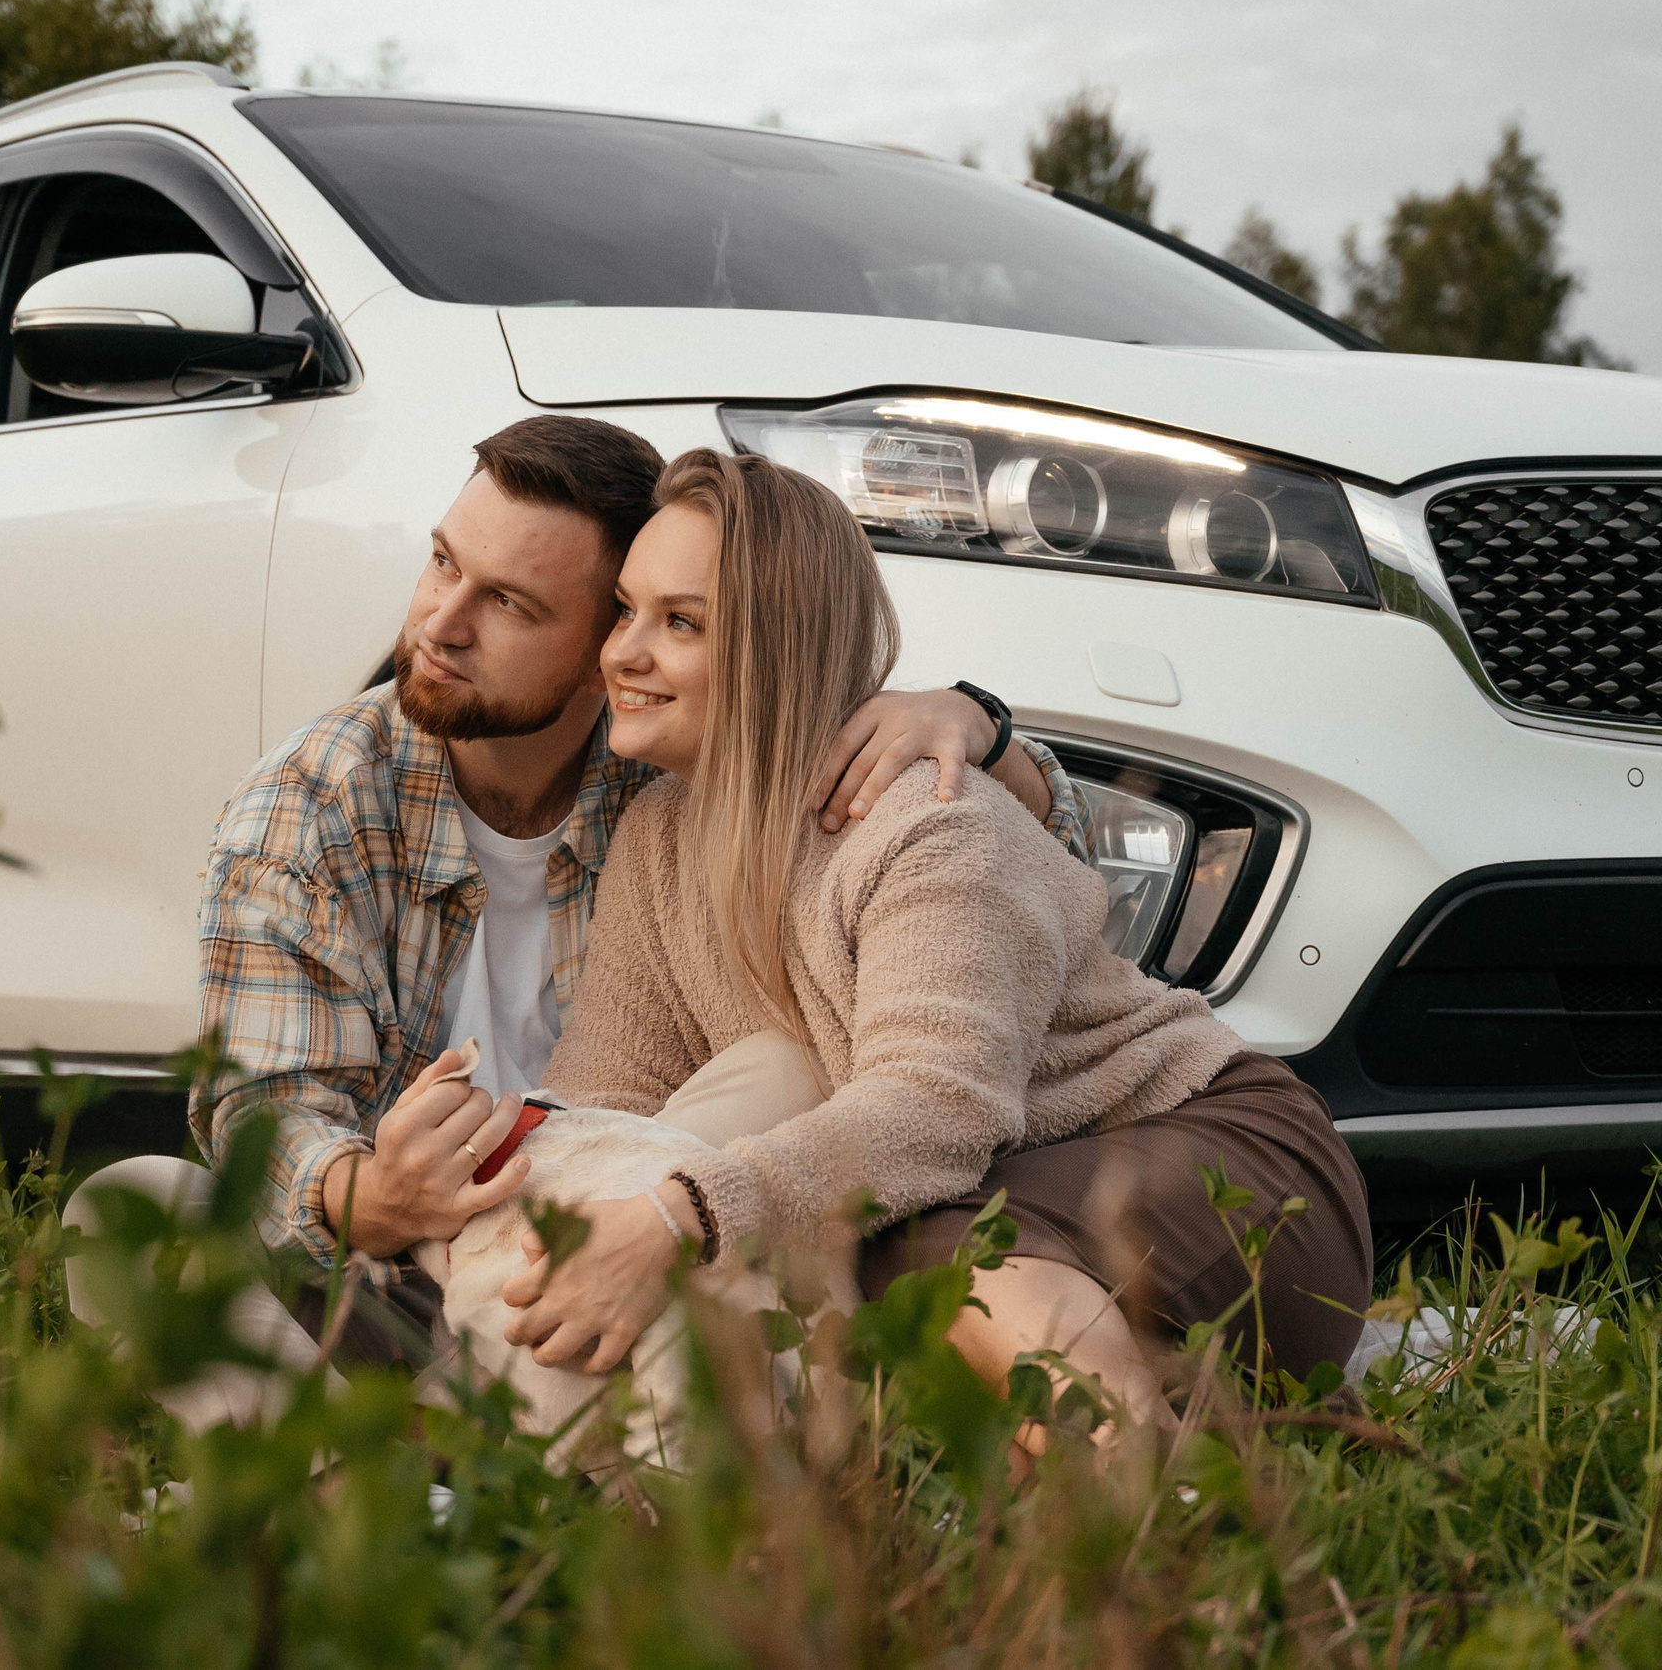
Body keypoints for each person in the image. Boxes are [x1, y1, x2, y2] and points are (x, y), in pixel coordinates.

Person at [64, 416, 1089, 1428]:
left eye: (508, 602)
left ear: (606, 633)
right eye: (442, 564)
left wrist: (979, 729)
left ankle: (482, 1452)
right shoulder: (309, 806)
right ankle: (368, 1474)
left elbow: (1012, 869)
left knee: (782, 1064)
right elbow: (262, 1112)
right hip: (406, 1266)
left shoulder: (670, 752)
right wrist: (370, 1192)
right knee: (126, 1209)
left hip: (638, 1229)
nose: (438, 624)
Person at [500, 447, 1371, 1426]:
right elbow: (612, 1094)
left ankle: (1155, 1505)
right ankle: (1221, 1423)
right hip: (1003, 1195)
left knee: (923, 1252)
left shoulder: (921, 818)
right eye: (626, 610)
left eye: (681, 623)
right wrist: (512, 1179)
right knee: (868, 1268)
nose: (623, 652)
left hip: (1218, 1164)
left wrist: (681, 1215)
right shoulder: (658, 837)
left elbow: (936, 1111)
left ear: (776, 645)